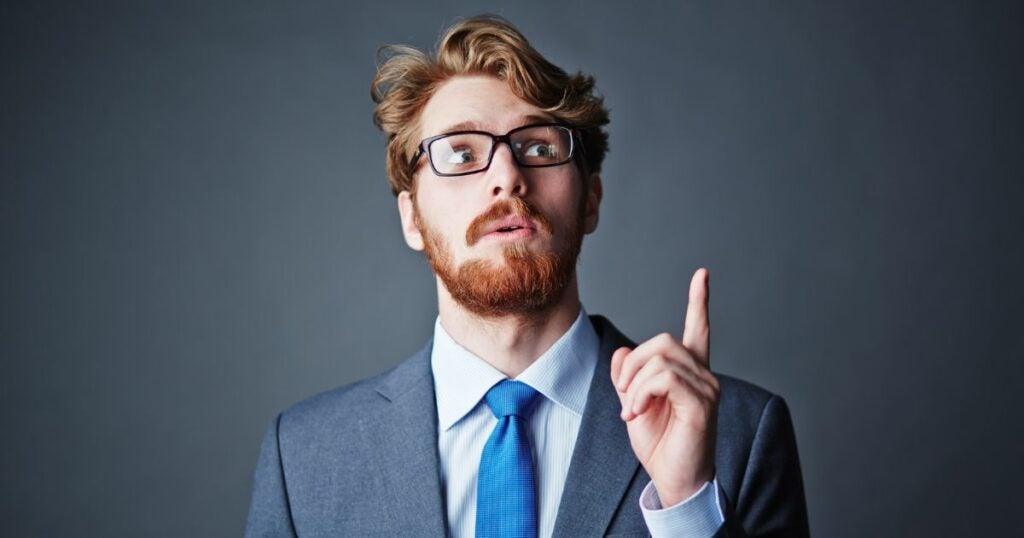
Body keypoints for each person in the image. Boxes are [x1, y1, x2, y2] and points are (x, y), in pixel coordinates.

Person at [245, 15, 808, 538]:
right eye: (461, 154)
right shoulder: (304, 456)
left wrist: (687, 506)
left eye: (538, 147)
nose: (507, 177)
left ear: (590, 200)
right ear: (412, 217)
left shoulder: (739, 433)